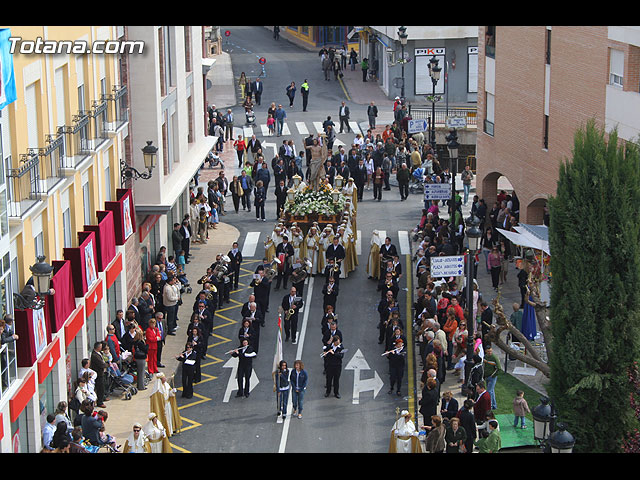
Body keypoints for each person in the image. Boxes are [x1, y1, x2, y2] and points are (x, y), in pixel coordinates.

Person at [483, 346, 501, 410]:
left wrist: (493, 375)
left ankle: (489, 406)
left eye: (490, 351)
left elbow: (499, 368)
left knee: (489, 391)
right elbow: (484, 365)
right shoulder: (485, 357)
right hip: (486, 376)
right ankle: (494, 406)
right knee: (491, 391)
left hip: (492, 377)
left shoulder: (494, 358)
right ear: (486, 351)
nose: (490, 352)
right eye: (488, 351)